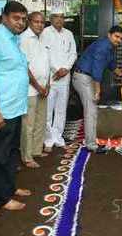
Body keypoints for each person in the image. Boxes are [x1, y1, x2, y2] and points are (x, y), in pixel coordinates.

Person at [0, 1, 31, 211]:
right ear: (4, 17)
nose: (21, 23)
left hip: (15, 108)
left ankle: (9, 189)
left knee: (10, 152)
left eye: (23, 19)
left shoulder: (13, 40)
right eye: (16, 18)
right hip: (0, 111)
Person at [73, 25, 122, 153]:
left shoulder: (110, 47)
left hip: (87, 77)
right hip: (83, 78)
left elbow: (112, 65)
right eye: (116, 36)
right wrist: (97, 90)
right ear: (109, 35)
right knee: (91, 111)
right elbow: (97, 69)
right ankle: (91, 145)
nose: (119, 40)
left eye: (121, 38)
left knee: (92, 110)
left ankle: (92, 142)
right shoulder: (103, 46)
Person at [42, 10, 77, 152]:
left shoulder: (69, 34)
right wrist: (56, 69)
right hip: (51, 76)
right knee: (48, 109)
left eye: (62, 17)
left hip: (65, 77)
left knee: (61, 109)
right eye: (56, 16)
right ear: (50, 19)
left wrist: (66, 69)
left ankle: (58, 138)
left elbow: (73, 53)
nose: (59, 19)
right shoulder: (45, 33)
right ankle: (48, 140)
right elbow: (44, 54)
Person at [19, 12, 50, 169]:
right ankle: (27, 156)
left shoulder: (42, 38)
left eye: (42, 22)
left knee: (40, 121)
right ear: (29, 22)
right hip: (30, 89)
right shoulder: (24, 39)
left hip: (43, 87)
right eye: (36, 22)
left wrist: (48, 84)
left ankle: (37, 150)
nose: (39, 25)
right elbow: (24, 67)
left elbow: (46, 63)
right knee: (28, 124)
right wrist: (38, 86)